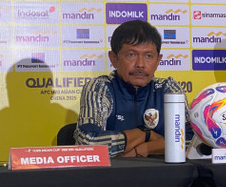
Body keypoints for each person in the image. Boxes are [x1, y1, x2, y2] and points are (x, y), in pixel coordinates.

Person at [75, 20, 187, 157]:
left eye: (149, 56)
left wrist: (141, 150)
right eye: (131, 55)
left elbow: (192, 142)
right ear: (114, 59)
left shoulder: (168, 89)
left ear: (158, 61)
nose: (140, 64)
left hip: (164, 176)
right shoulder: (100, 88)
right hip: (112, 177)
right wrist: (145, 134)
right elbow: (87, 144)